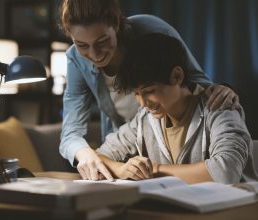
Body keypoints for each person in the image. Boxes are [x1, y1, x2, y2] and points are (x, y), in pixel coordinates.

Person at [58, 0, 239, 181]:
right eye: (82, 45)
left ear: (116, 24)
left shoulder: (150, 29)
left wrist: (223, 93)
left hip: (167, 161)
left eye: (102, 41)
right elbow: (72, 133)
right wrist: (86, 154)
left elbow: (196, 82)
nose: (95, 54)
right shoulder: (143, 119)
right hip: (132, 151)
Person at [96, 33, 257, 184]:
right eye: (136, 94)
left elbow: (226, 172)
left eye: (149, 91)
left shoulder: (219, 108)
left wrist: (155, 169)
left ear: (177, 76)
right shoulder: (145, 119)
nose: (143, 103)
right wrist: (122, 169)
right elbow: (99, 156)